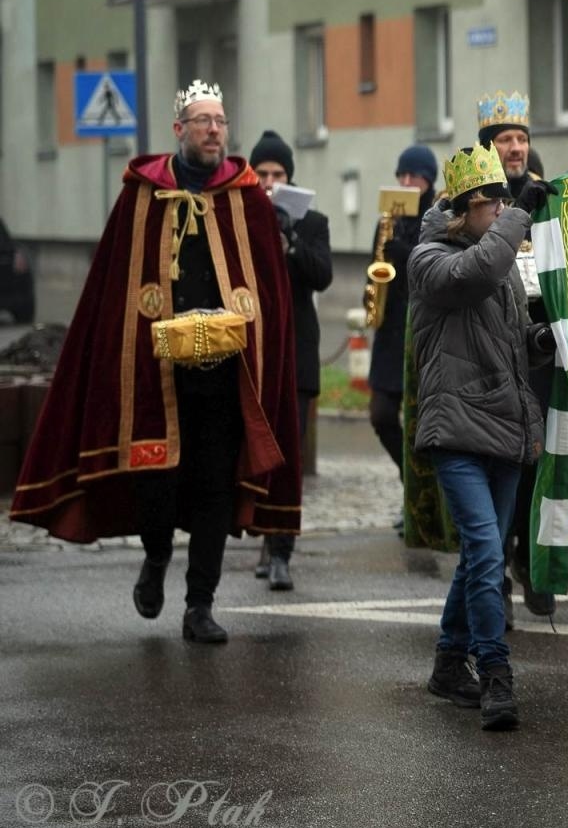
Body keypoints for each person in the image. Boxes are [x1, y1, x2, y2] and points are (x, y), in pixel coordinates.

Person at [7, 80, 300, 644]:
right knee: (156, 484)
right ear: (179, 130)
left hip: (224, 377)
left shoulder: (247, 198)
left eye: (220, 121)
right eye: (203, 121)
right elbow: (111, 288)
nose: (214, 131)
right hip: (155, 375)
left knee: (214, 488)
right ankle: (157, 555)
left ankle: (200, 605)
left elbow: (271, 294)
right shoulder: (141, 196)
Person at [409, 143, 555, 730]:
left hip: (503, 430)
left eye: (502, 203)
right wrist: (519, 212)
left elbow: (511, 343)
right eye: (491, 203)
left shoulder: (500, 265)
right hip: (457, 431)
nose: (499, 210)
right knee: (489, 555)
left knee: (479, 555)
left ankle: (449, 663)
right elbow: (475, 273)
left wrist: (545, 341)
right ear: (464, 209)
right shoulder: (429, 259)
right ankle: (495, 673)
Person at [475, 90, 555, 619]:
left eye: (521, 138)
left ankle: (532, 560)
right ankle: (497, 575)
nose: (516, 148)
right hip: (491, 353)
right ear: (488, 148)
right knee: (498, 463)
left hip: (540, 354)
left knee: (537, 462)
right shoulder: (472, 198)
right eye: (505, 139)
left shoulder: (546, 195)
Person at [249, 131, 332, 592]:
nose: (269, 182)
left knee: (290, 455)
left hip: (296, 355)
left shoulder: (312, 222)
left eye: (277, 174)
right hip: (255, 353)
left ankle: (282, 551)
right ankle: (262, 536)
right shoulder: (242, 215)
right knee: (256, 454)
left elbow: (322, 276)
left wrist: (291, 242)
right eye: (262, 174)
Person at [369, 145, 438, 487]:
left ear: (428, 180)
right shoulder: (388, 220)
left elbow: (437, 270)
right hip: (390, 332)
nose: (407, 182)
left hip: (422, 332)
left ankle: (421, 491)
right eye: (402, 175)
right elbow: (375, 266)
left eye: (415, 176)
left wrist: (406, 254)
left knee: (421, 424)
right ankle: (407, 477)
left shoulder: (437, 218)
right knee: (380, 414)